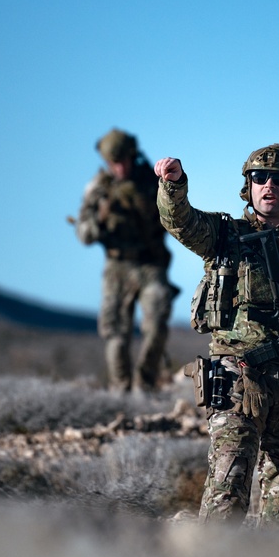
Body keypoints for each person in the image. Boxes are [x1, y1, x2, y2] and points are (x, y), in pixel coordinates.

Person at [153, 144, 279, 528]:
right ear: (248, 186)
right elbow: (180, 221)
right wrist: (174, 184)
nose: (269, 186)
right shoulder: (225, 235)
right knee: (228, 487)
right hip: (238, 382)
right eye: (259, 178)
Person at [75, 128, 176, 392]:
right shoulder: (98, 188)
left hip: (149, 264)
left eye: (122, 161)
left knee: (156, 324)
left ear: (132, 156)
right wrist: (100, 218)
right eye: (113, 163)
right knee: (116, 335)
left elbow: (175, 217)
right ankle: (120, 392)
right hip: (117, 267)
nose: (119, 168)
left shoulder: (150, 182)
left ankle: (145, 384)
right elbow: (84, 234)